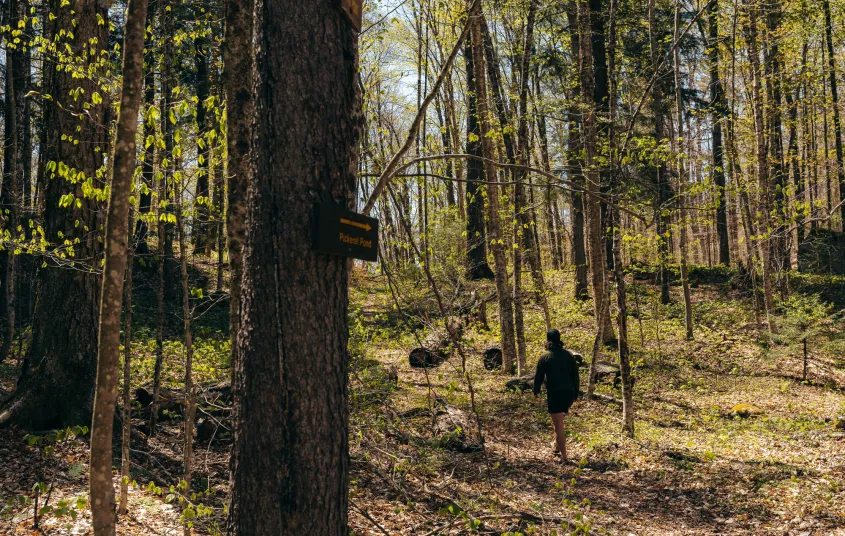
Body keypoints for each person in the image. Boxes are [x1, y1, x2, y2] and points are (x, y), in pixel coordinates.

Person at [533, 329, 580, 462]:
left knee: (558, 424)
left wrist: (536, 391)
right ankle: (556, 447)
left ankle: (564, 457)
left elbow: (539, 377)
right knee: (558, 420)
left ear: (548, 340)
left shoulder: (545, 357)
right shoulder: (569, 355)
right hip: (569, 393)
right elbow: (575, 376)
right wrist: (575, 393)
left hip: (555, 393)